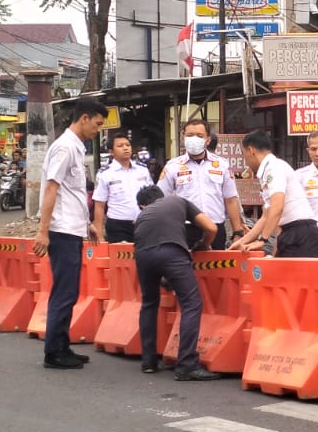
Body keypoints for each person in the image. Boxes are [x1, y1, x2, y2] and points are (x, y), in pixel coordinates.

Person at [34, 95, 108, 370]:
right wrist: (43, 231)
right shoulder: (65, 147)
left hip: (72, 228)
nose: (97, 130)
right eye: (97, 124)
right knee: (64, 292)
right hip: (61, 231)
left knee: (70, 291)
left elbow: (72, 193)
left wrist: (86, 222)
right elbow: (51, 188)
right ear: (84, 117)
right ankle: (54, 352)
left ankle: (62, 345)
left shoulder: (76, 147)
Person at [134, 184, 224, 382]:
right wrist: (203, 244)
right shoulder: (178, 200)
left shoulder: (141, 216)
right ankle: (187, 364)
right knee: (191, 304)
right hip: (171, 252)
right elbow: (211, 227)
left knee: (149, 303)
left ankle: (148, 361)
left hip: (142, 255)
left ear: (143, 205)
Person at [230, 129, 318, 257]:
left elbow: (277, 206)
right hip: (290, 231)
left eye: (244, 155)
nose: (245, 161)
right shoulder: (267, 170)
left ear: (250, 151)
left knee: (297, 276)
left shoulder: (273, 168)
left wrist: (262, 240)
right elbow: (265, 217)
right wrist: (242, 241)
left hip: (300, 233)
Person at [159, 117, 247, 249]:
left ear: (208, 140)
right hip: (185, 229)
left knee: (217, 268)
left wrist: (237, 232)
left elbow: (230, 199)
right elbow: (160, 201)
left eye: (199, 135)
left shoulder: (222, 165)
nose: (194, 139)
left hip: (216, 227)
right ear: (183, 137)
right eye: (190, 135)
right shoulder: (172, 167)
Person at [92, 131, 150, 244]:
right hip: (118, 225)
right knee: (121, 259)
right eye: (120, 146)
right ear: (111, 152)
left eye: (127, 145)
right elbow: (99, 206)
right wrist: (100, 236)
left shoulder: (143, 170)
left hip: (143, 223)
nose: (125, 148)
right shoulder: (105, 173)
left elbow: (152, 197)